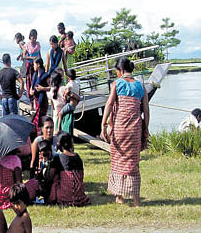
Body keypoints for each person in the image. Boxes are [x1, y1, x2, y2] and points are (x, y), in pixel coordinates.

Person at [101, 57, 149, 207]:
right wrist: (145, 129)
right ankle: (136, 200)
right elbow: (146, 111)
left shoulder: (117, 83)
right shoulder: (141, 86)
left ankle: (120, 197)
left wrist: (103, 124)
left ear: (121, 71)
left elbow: (109, 104)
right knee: (133, 163)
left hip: (120, 128)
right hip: (135, 129)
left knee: (118, 160)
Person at [47, 132, 90, 206]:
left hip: (66, 198)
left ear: (59, 144)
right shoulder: (77, 157)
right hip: (80, 196)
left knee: (55, 180)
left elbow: (50, 177)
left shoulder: (59, 158)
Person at [57, 69, 80, 135]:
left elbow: (66, 92)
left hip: (70, 105)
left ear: (68, 77)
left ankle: (58, 129)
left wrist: (65, 95)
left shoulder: (69, 84)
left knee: (60, 114)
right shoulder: (76, 84)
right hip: (74, 105)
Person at [23, 29, 41, 109]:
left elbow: (39, 55)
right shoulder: (27, 45)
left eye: (35, 37)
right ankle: (31, 104)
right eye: (32, 38)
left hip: (36, 66)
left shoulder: (38, 44)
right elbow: (24, 56)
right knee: (29, 83)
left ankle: (36, 102)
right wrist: (32, 57)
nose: (34, 39)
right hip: (30, 66)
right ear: (30, 37)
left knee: (37, 82)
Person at [31, 57, 49, 131]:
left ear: (38, 64)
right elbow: (32, 87)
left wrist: (43, 88)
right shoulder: (34, 75)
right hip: (36, 99)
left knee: (41, 120)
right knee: (37, 120)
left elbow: (51, 87)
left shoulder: (45, 75)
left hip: (43, 100)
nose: (33, 66)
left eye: (34, 64)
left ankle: (43, 135)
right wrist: (31, 91)